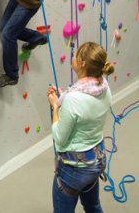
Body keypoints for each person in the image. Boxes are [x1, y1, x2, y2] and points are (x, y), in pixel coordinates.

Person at [47, 42, 115, 213]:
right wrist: (64, 98)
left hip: (74, 169)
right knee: (93, 206)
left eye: (75, 54)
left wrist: (56, 106)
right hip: (95, 161)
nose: (72, 56)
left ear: (83, 63)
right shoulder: (104, 87)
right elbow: (84, 109)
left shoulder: (73, 99)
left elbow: (59, 137)